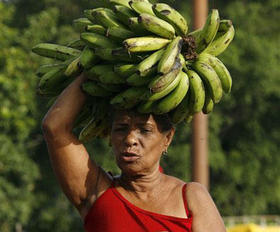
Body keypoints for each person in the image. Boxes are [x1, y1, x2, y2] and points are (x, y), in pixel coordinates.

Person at [42, 73, 226, 232]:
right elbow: (54, 127)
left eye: (144, 130)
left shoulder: (191, 198)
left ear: (167, 139)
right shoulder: (96, 191)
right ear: (110, 135)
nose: (130, 139)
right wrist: (92, 69)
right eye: (121, 128)